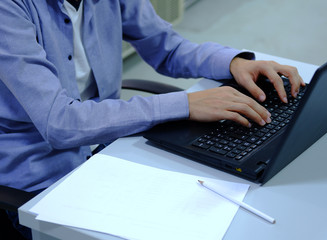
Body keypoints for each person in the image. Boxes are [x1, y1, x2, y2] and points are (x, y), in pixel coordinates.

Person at [0, 0, 304, 238]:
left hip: (110, 151)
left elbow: (166, 47)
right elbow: (60, 123)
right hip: (41, 181)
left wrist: (234, 63)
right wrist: (184, 103)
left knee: (229, 209)